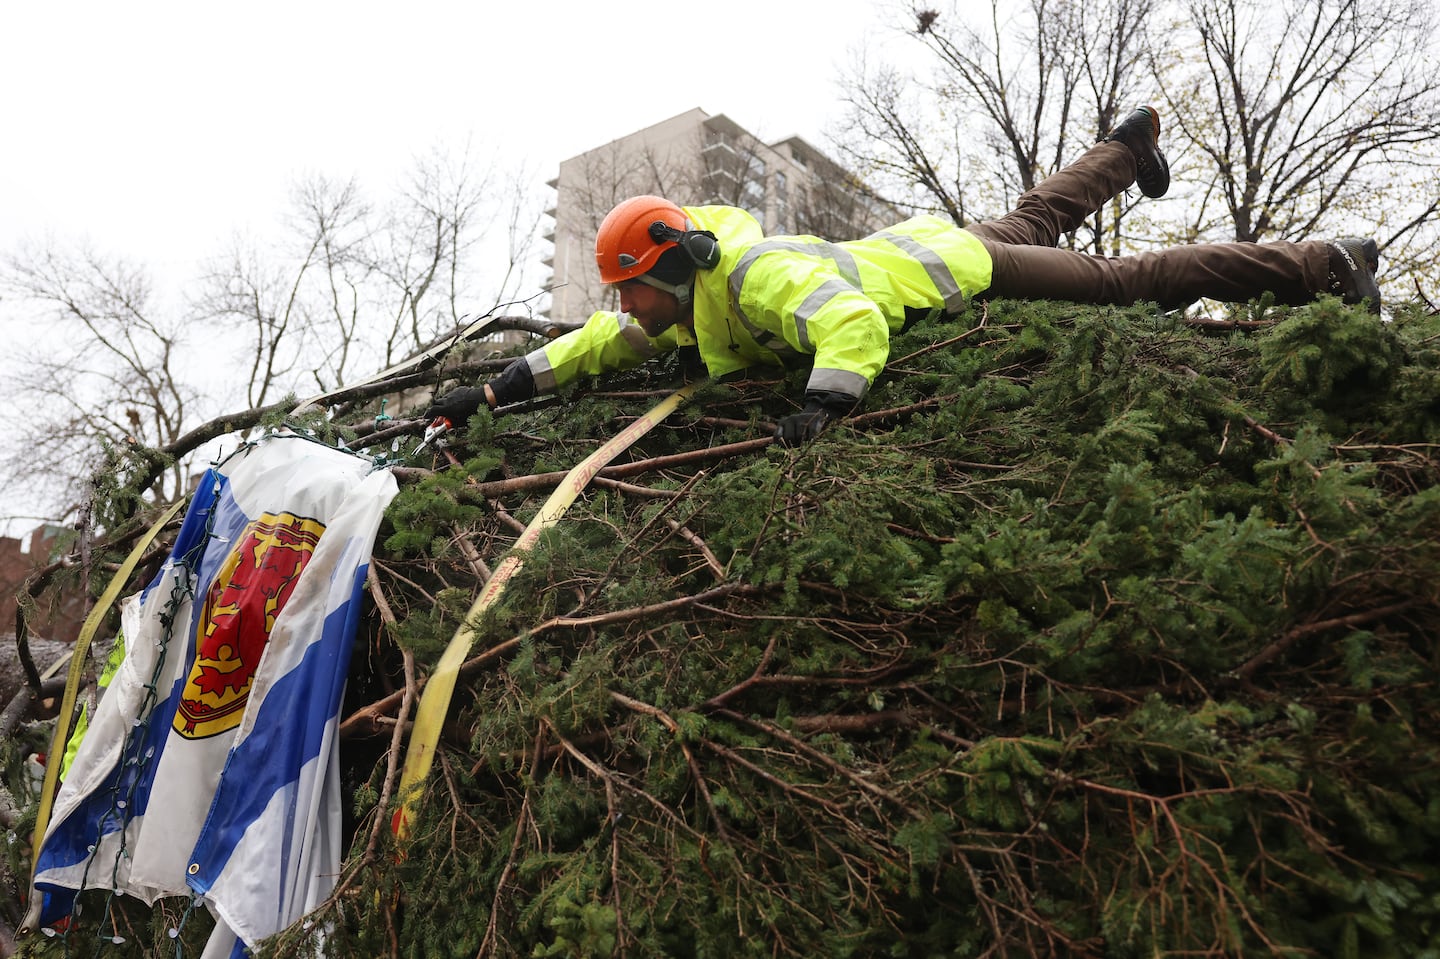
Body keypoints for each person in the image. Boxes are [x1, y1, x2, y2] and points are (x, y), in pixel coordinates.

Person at [429, 107, 1382, 446]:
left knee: (1125, 282)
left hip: (957, 275)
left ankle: (1323, 263)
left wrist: (826, 405)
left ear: (671, 266)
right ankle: (1128, 146)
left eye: (630, 287)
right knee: (1038, 215)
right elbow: (602, 343)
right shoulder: (683, 303)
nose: (625, 307)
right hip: (924, 245)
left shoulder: (751, 277)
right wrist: (496, 388)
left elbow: (847, 319)